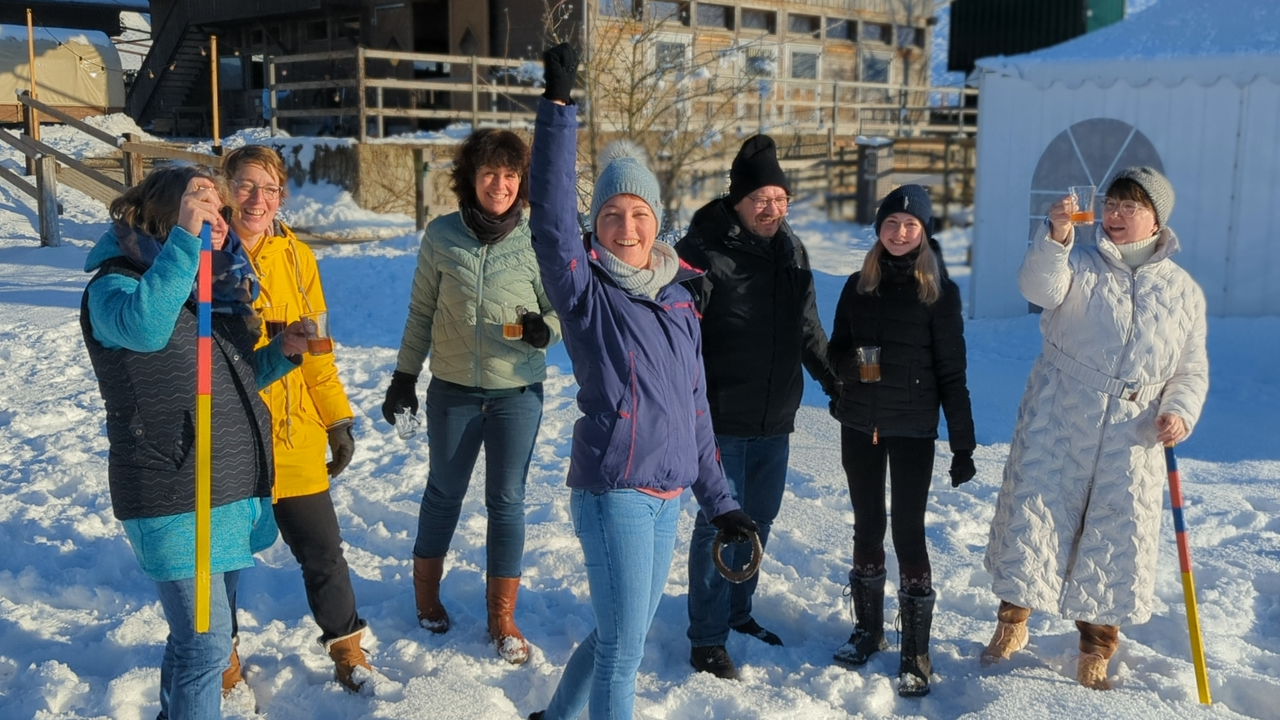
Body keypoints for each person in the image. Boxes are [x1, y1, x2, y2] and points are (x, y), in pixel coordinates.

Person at [523, 45, 756, 720]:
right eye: (612, 214)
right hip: (615, 491)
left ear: (658, 221)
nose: (626, 226)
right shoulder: (585, 291)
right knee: (625, 647)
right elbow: (548, 221)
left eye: (638, 213)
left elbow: (694, 411)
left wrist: (722, 503)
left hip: (668, 497)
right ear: (596, 225)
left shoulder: (681, 296)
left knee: (617, 633)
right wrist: (559, 111)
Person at [80, 166, 307, 718]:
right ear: (165, 212)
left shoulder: (208, 287)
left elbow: (230, 379)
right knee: (206, 645)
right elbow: (144, 329)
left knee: (194, 640)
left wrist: (282, 353)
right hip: (173, 490)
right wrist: (185, 241)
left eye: (217, 207)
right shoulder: (115, 285)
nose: (219, 216)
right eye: (200, 203)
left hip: (223, 486)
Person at [982, 167, 1209, 690]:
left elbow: (1189, 368)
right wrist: (1057, 236)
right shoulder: (1078, 263)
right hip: (1061, 414)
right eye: (1111, 204)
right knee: (1035, 521)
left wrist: (1180, 410)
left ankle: (1096, 650)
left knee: (1115, 538)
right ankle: (1011, 626)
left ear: (1157, 219)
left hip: (1134, 431)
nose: (1115, 215)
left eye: (1130, 206)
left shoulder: (1182, 291)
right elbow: (1036, 286)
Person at [380, 127, 561, 664]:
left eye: (510, 175)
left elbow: (563, 312)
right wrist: (404, 377)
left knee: (506, 502)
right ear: (470, 179)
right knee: (443, 491)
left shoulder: (538, 240)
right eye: (489, 174)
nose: (500, 185)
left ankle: (501, 616)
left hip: (517, 393)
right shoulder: (440, 236)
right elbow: (420, 313)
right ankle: (426, 594)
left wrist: (543, 330)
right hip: (454, 390)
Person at [675, 134, 839, 679]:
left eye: (780, 199)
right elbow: (679, 336)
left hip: (776, 417)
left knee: (760, 520)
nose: (772, 210)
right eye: (761, 200)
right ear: (737, 201)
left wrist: (837, 383)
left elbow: (808, 329)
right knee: (717, 526)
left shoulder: (791, 250)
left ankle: (738, 612)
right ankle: (706, 637)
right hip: (720, 418)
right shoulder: (702, 251)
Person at [220, 145, 372, 693]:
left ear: (282, 196)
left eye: (269, 189)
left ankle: (348, 648)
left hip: (293, 433)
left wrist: (336, 419)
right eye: (246, 185)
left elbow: (317, 349)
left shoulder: (299, 259)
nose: (258, 199)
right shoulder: (202, 253)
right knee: (223, 559)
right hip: (230, 433)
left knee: (323, 550)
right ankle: (223, 658)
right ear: (225, 187)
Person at [827, 184, 975, 697]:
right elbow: (835, 353)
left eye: (910, 225)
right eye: (891, 223)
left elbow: (953, 374)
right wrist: (852, 370)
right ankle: (867, 631)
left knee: (908, 532)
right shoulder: (856, 285)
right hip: (859, 425)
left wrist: (964, 445)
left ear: (925, 232)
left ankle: (915, 651)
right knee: (867, 526)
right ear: (879, 229)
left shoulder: (940, 293)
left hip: (913, 429)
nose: (899, 232)